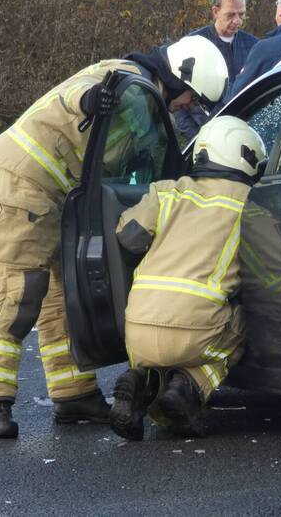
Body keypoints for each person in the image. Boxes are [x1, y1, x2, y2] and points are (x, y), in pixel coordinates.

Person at [0, 35, 229, 438]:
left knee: (64, 299)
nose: (187, 106)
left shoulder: (144, 102)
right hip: (28, 182)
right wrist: (90, 101)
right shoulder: (121, 77)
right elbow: (75, 95)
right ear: (179, 79)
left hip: (66, 198)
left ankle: (73, 394)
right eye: (191, 98)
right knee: (16, 289)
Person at [108, 116, 266, 441]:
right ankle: (191, 387)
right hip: (197, 332)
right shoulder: (250, 203)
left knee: (156, 354)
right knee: (243, 322)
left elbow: (129, 237)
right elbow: (272, 273)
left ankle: (141, 381)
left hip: (137, 329)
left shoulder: (167, 191)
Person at [175, 0, 259, 140]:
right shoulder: (193, 45)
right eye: (231, 15)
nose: (237, 21)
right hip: (203, 136)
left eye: (241, 14)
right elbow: (178, 100)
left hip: (245, 136)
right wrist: (197, 140)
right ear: (215, 11)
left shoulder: (254, 47)